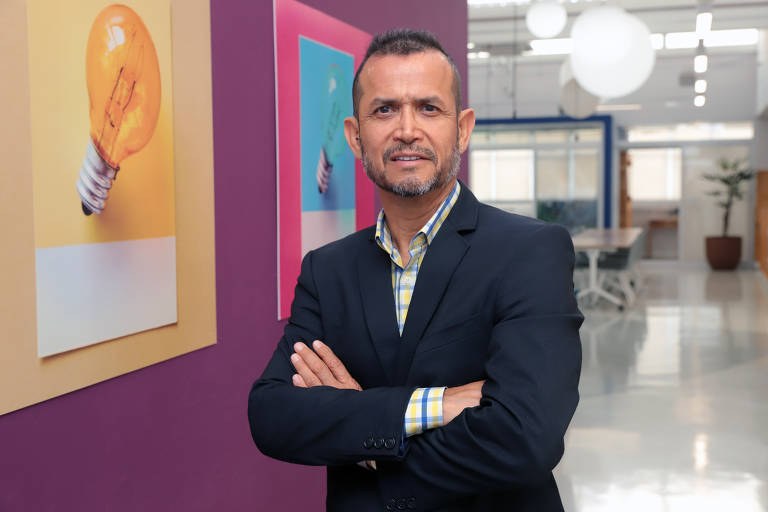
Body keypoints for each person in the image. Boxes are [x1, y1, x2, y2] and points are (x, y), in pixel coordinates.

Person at [249, 29, 583, 512]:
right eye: (384, 110)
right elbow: (273, 415)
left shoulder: (530, 252)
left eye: (429, 108)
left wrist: (364, 436)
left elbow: (526, 437)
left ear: (462, 129)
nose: (407, 129)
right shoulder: (327, 270)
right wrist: (431, 406)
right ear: (355, 136)